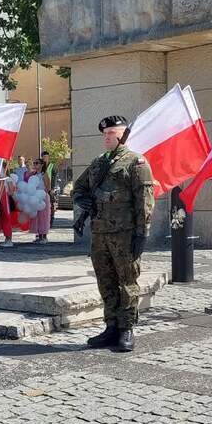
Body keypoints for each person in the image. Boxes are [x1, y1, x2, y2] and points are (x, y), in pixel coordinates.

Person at [72, 115, 154, 352]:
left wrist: (143, 233)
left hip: (124, 234)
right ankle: (111, 327)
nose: (106, 138)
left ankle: (126, 329)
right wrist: (82, 200)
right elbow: (79, 187)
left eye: (111, 134)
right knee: (105, 281)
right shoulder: (99, 162)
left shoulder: (136, 162)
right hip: (99, 234)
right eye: (104, 134)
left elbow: (144, 199)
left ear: (122, 135)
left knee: (127, 282)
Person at [26, 159, 51, 244]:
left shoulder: (44, 174)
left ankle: (44, 236)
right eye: (34, 163)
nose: (35, 165)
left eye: (37, 163)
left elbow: (48, 187)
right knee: (36, 217)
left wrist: (42, 194)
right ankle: (38, 236)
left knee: (43, 217)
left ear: (41, 165)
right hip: (35, 197)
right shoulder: (33, 175)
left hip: (43, 197)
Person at [41, 150, 57, 227]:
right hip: (42, 189)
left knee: (51, 205)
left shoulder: (52, 166)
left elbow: (54, 178)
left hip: (50, 189)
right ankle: (44, 220)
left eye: (46, 157)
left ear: (48, 157)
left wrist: (53, 189)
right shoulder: (41, 167)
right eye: (43, 157)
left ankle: (51, 221)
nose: (45, 158)